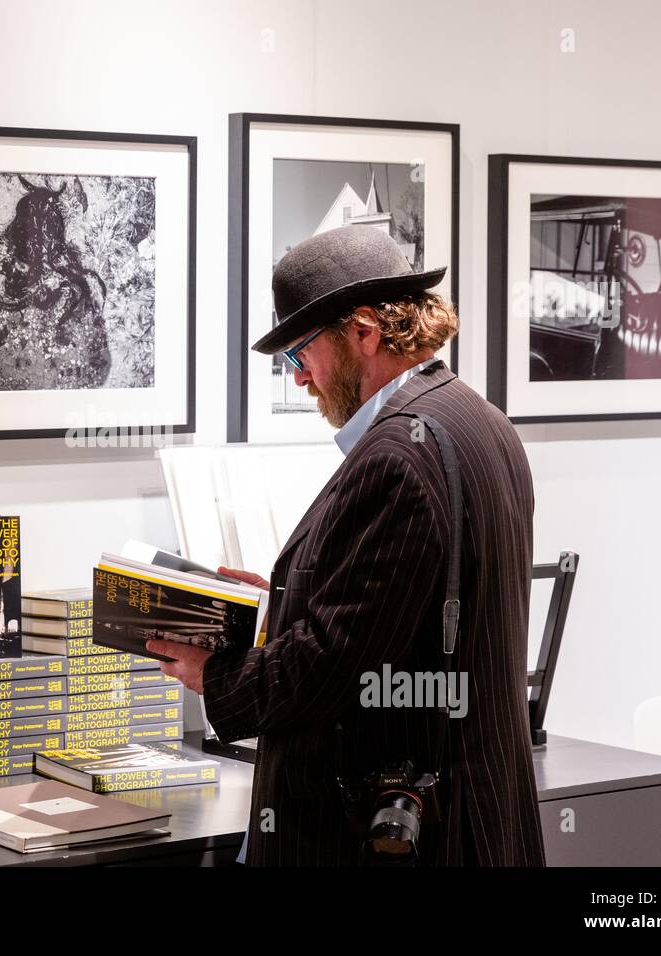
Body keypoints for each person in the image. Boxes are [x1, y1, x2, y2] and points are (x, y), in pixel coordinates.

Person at [149, 225, 546, 866]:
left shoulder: (398, 455)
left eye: (300, 353)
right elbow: (393, 613)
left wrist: (212, 675)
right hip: (476, 813)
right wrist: (283, 601)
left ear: (363, 331)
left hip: (389, 831)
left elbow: (335, 662)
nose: (300, 378)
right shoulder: (481, 421)